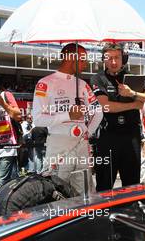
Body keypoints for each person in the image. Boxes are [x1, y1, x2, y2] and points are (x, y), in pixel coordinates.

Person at [33, 43, 103, 194]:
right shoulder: (45, 83)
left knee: (86, 193)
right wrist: (68, 116)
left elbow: (98, 112)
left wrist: (87, 133)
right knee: (56, 191)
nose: (86, 63)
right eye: (83, 59)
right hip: (59, 145)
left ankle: (88, 218)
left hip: (81, 144)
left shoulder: (83, 84)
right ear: (72, 58)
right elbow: (37, 119)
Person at [90, 43, 145, 191]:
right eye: (109, 58)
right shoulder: (98, 79)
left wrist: (133, 94)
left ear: (123, 59)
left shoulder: (133, 77)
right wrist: (134, 104)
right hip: (107, 138)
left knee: (132, 186)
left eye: (117, 58)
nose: (113, 62)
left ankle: (132, 213)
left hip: (131, 138)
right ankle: (104, 214)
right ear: (104, 59)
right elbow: (106, 106)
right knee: (104, 186)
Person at [0, 75, 21, 191]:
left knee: (0, 184)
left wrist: (1, 102)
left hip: (7, 146)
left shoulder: (6, 95)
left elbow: (18, 116)